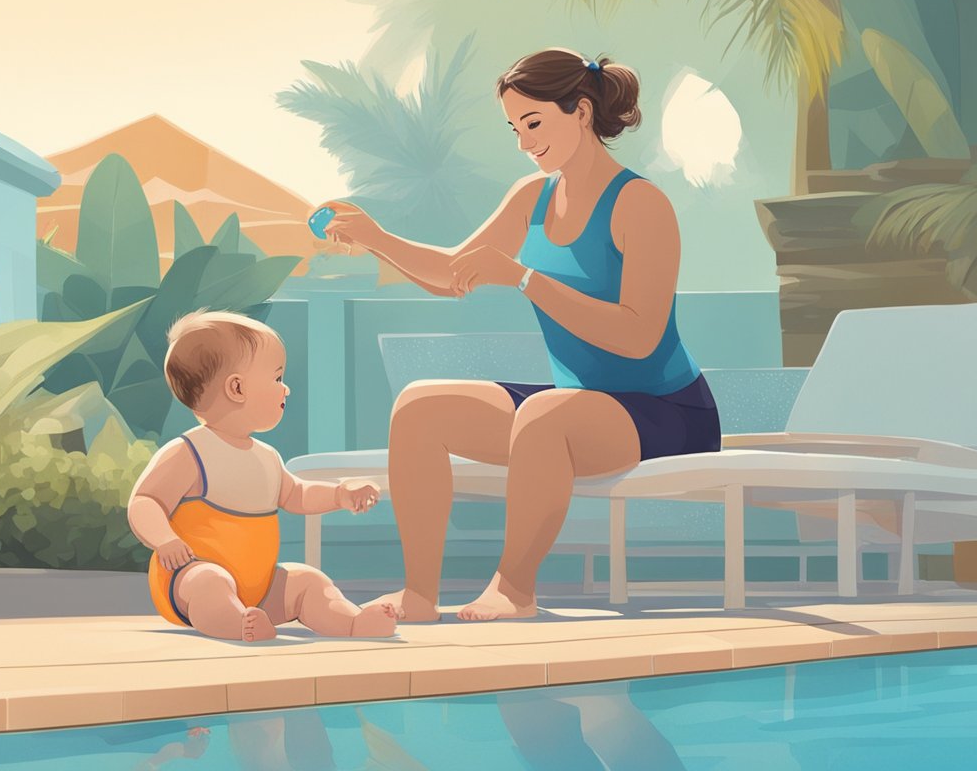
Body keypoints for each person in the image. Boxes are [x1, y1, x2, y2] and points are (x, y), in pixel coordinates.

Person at [320, 47, 721, 622]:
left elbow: (638, 336)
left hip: (665, 410)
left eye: (534, 123)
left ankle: (514, 590)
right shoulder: (530, 197)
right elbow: (456, 271)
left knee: (543, 415)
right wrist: (375, 236)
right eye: (514, 128)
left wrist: (526, 279)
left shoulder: (641, 204)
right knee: (419, 407)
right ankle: (419, 596)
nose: (523, 142)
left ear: (581, 112)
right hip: (575, 405)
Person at [129, 310, 399, 642]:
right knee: (211, 583)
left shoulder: (266, 457)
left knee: (308, 581)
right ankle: (236, 623)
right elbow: (145, 500)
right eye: (276, 378)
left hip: (259, 585)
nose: (286, 390)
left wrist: (340, 494)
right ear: (237, 388)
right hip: (188, 578)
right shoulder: (189, 452)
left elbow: (296, 494)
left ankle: (354, 622)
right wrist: (165, 540)